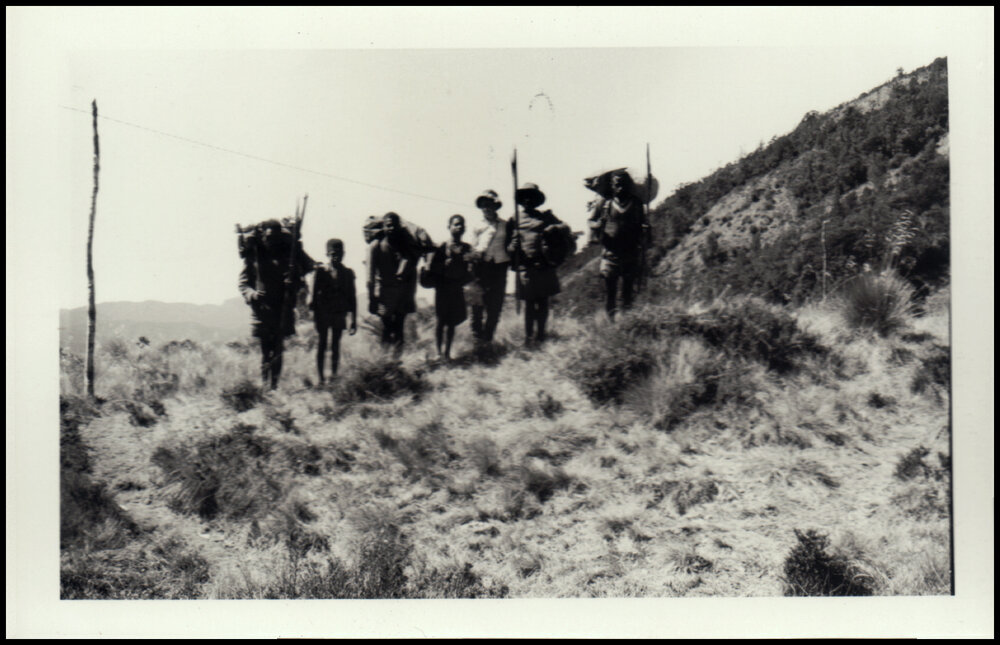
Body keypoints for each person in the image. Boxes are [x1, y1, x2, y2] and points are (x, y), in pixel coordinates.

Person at [238, 219, 314, 390]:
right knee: (266, 350)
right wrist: (253, 295)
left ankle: (275, 386)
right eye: (269, 237)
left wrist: (292, 282)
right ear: (263, 236)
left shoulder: (288, 257)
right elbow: (243, 283)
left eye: (276, 237)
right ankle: (265, 385)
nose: (272, 241)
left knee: (279, 349)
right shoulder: (254, 257)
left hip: (282, 308)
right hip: (262, 310)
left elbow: (300, 282)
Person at [509, 183, 571, 346]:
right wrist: (512, 246)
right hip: (525, 267)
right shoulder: (514, 219)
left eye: (532, 197)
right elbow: (507, 246)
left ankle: (541, 335)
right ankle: (529, 338)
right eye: (525, 197)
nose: (528, 200)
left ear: (537, 200)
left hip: (544, 265)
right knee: (529, 304)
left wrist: (553, 227)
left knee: (543, 302)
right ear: (521, 201)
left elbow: (565, 227)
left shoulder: (545, 216)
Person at [588, 170, 650, 320]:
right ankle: (611, 322)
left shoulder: (636, 204)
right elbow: (591, 221)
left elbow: (644, 224)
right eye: (617, 184)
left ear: (629, 185)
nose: (621, 187)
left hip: (631, 252)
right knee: (610, 291)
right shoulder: (605, 204)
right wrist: (598, 225)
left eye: (624, 184)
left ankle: (626, 322)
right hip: (611, 253)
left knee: (627, 290)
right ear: (612, 186)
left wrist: (645, 230)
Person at [367, 212, 419, 352]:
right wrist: (372, 300)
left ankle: (397, 363)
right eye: (388, 225)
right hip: (384, 294)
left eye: (394, 225)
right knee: (388, 327)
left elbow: (411, 271)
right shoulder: (376, 246)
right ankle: (385, 361)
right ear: (383, 227)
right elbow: (370, 278)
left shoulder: (404, 247)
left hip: (402, 294)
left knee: (399, 328)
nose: (392, 229)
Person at [468, 189, 513, 344]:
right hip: (482, 267)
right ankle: (477, 338)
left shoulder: (505, 225)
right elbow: (472, 247)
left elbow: (511, 244)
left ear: (495, 206)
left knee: (495, 305)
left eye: (489, 205)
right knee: (478, 304)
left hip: (500, 268)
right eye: (483, 205)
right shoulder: (477, 226)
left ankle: (488, 339)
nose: (486, 208)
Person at [310, 238, 357, 385]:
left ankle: (334, 376)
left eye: (339, 253)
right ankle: (321, 379)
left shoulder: (348, 273)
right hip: (323, 313)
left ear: (344, 254)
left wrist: (353, 319)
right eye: (332, 253)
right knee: (322, 344)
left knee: (336, 344)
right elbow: (313, 295)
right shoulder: (321, 272)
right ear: (327, 254)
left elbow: (352, 297)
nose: (336, 256)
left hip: (339, 313)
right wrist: (315, 313)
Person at [429, 214, 474, 361]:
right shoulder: (441, 247)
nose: (459, 227)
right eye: (456, 224)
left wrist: (464, 277)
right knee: (440, 320)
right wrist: (443, 266)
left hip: (456, 288)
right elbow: (432, 267)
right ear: (449, 227)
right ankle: (438, 353)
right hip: (442, 288)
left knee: (452, 322)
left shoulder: (467, 248)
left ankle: (447, 353)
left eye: (461, 224)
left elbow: (471, 270)